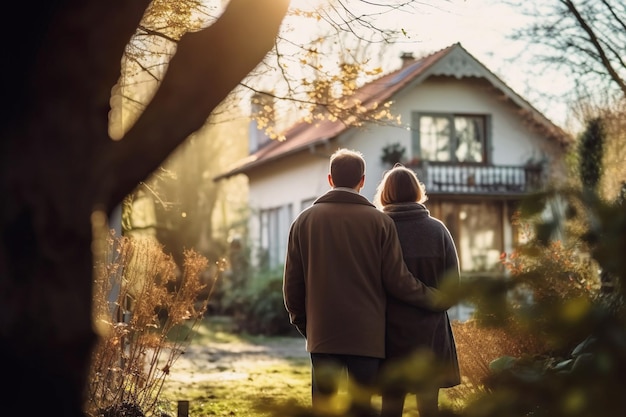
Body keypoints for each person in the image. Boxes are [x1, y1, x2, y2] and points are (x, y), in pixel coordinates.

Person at [282, 148, 446, 416]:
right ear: (362, 180)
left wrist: (306, 324)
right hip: (368, 336)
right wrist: (435, 298)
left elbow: (292, 286)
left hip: (322, 333)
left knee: (324, 409)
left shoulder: (304, 221)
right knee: (362, 409)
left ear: (330, 179)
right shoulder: (380, 222)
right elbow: (398, 280)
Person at [373, 164, 461, 417]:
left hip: (389, 331)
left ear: (385, 193)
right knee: (429, 405)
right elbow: (452, 288)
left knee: (390, 404)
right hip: (430, 333)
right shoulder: (438, 230)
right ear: (416, 192)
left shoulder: (377, 229)